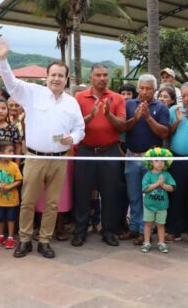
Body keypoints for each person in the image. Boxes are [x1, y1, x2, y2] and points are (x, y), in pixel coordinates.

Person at [0, 37, 85, 259]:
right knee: (27, 201)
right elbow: (10, 83)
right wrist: (2, 59)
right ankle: (24, 239)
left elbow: (80, 129)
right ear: (47, 77)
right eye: (53, 74)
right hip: (34, 158)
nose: (56, 79)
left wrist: (72, 138)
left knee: (52, 204)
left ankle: (45, 240)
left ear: (66, 79)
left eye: (60, 76)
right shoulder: (33, 92)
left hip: (60, 159)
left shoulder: (71, 102)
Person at [72, 64, 126, 247]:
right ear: (91, 78)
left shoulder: (117, 98)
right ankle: (80, 231)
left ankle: (108, 231)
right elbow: (75, 126)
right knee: (82, 193)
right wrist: (91, 116)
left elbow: (122, 125)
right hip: (85, 150)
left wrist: (108, 114)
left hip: (109, 151)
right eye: (98, 75)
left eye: (105, 75)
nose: (102, 78)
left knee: (110, 193)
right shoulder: (79, 97)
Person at [121, 75, 170, 245]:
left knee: (148, 196)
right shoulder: (128, 104)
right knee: (133, 195)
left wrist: (148, 117)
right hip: (131, 155)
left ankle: (145, 230)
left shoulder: (161, 108)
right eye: (141, 88)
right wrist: (135, 118)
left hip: (151, 160)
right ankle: (134, 227)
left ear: (154, 90)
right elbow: (122, 128)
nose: (144, 92)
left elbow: (164, 133)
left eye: (148, 88)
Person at [165, 82, 188, 246]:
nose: (186, 99)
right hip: (177, 158)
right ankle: (174, 229)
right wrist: (178, 121)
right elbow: (167, 134)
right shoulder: (174, 110)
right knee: (176, 194)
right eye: (184, 96)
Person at [140, 147, 176, 254]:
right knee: (148, 224)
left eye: (162, 160)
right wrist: (157, 184)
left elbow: (172, 188)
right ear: (151, 161)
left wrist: (163, 185)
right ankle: (146, 242)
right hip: (149, 206)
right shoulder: (148, 175)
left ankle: (161, 242)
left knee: (161, 224)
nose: (160, 163)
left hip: (162, 206)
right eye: (156, 160)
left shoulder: (167, 174)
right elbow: (145, 189)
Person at [0, 142, 23, 249]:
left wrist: (10, 187)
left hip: (12, 200)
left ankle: (11, 237)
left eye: (13, 151)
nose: (12, 153)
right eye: (9, 151)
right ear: (1, 153)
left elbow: (19, 180)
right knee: (0, 218)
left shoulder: (14, 166)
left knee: (11, 218)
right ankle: (1, 235)